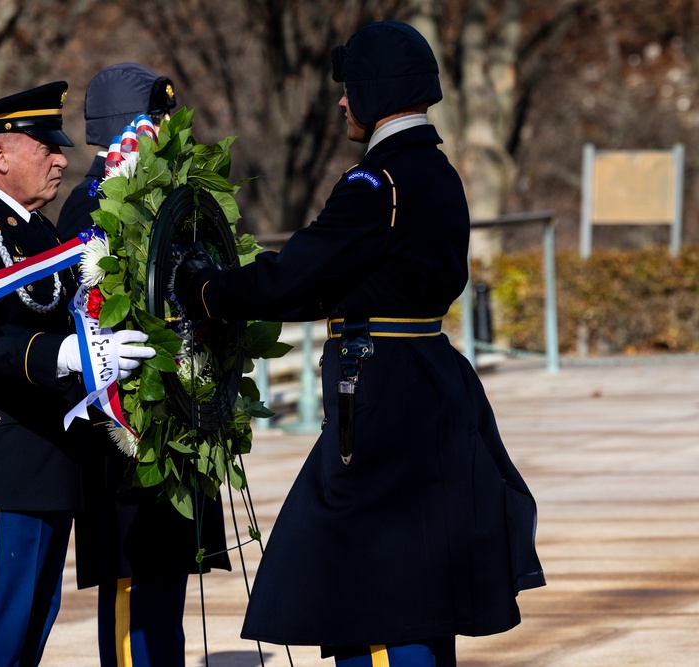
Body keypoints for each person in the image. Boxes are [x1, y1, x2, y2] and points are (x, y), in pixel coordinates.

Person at [175, 21, 545, 667]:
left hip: (381, 389)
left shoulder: (378, 183)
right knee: (419, 576)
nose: (343, 102)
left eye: (350, 90)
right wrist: (245, 297)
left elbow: (298, 272)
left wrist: (202, 288)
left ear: (374, 93)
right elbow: (334, 288)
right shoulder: (435, 172)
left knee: (368, 580)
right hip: (426, 375)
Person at [0, 80, 154, 667]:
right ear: (1, 156)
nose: (61, 158)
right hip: (0, 467)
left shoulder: (39, 231)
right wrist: (67, 356)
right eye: (46, 147)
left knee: (22, 648)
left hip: (47, 468)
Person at [56, 62, 230, 667]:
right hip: (127, 429)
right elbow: (95, 307)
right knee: (133, 598)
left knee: (168, 598)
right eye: (154, 120)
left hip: (177, 416)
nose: (166, 131)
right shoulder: (91, 205)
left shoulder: (171, 199)